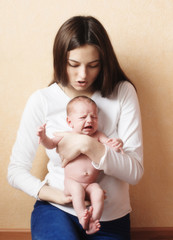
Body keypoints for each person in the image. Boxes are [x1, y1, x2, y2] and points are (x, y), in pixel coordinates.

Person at [8, 15, 143, 240]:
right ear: (60, 60)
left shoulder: (122, 92)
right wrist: (56, 196)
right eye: (73, 65)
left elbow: (134, 172)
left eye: (93, 65)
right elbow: (16, 171)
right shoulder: (42, 99)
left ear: (104, 62)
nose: (83, 75)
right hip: (56, 210)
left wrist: (87, 143)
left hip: (109, 217)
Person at [37, 95, 124, 234]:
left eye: (94, 117)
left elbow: (111, 146)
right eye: (83, 117)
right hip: (72, 183)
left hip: (90, 183)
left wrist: (117, 143)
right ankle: (82, 217)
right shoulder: (65, 135)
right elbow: (50, 144)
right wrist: (43, 137)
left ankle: (93, 220)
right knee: (77, 191)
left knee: (98, 193)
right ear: (69, 122)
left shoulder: (98, 135)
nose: (89, 120)